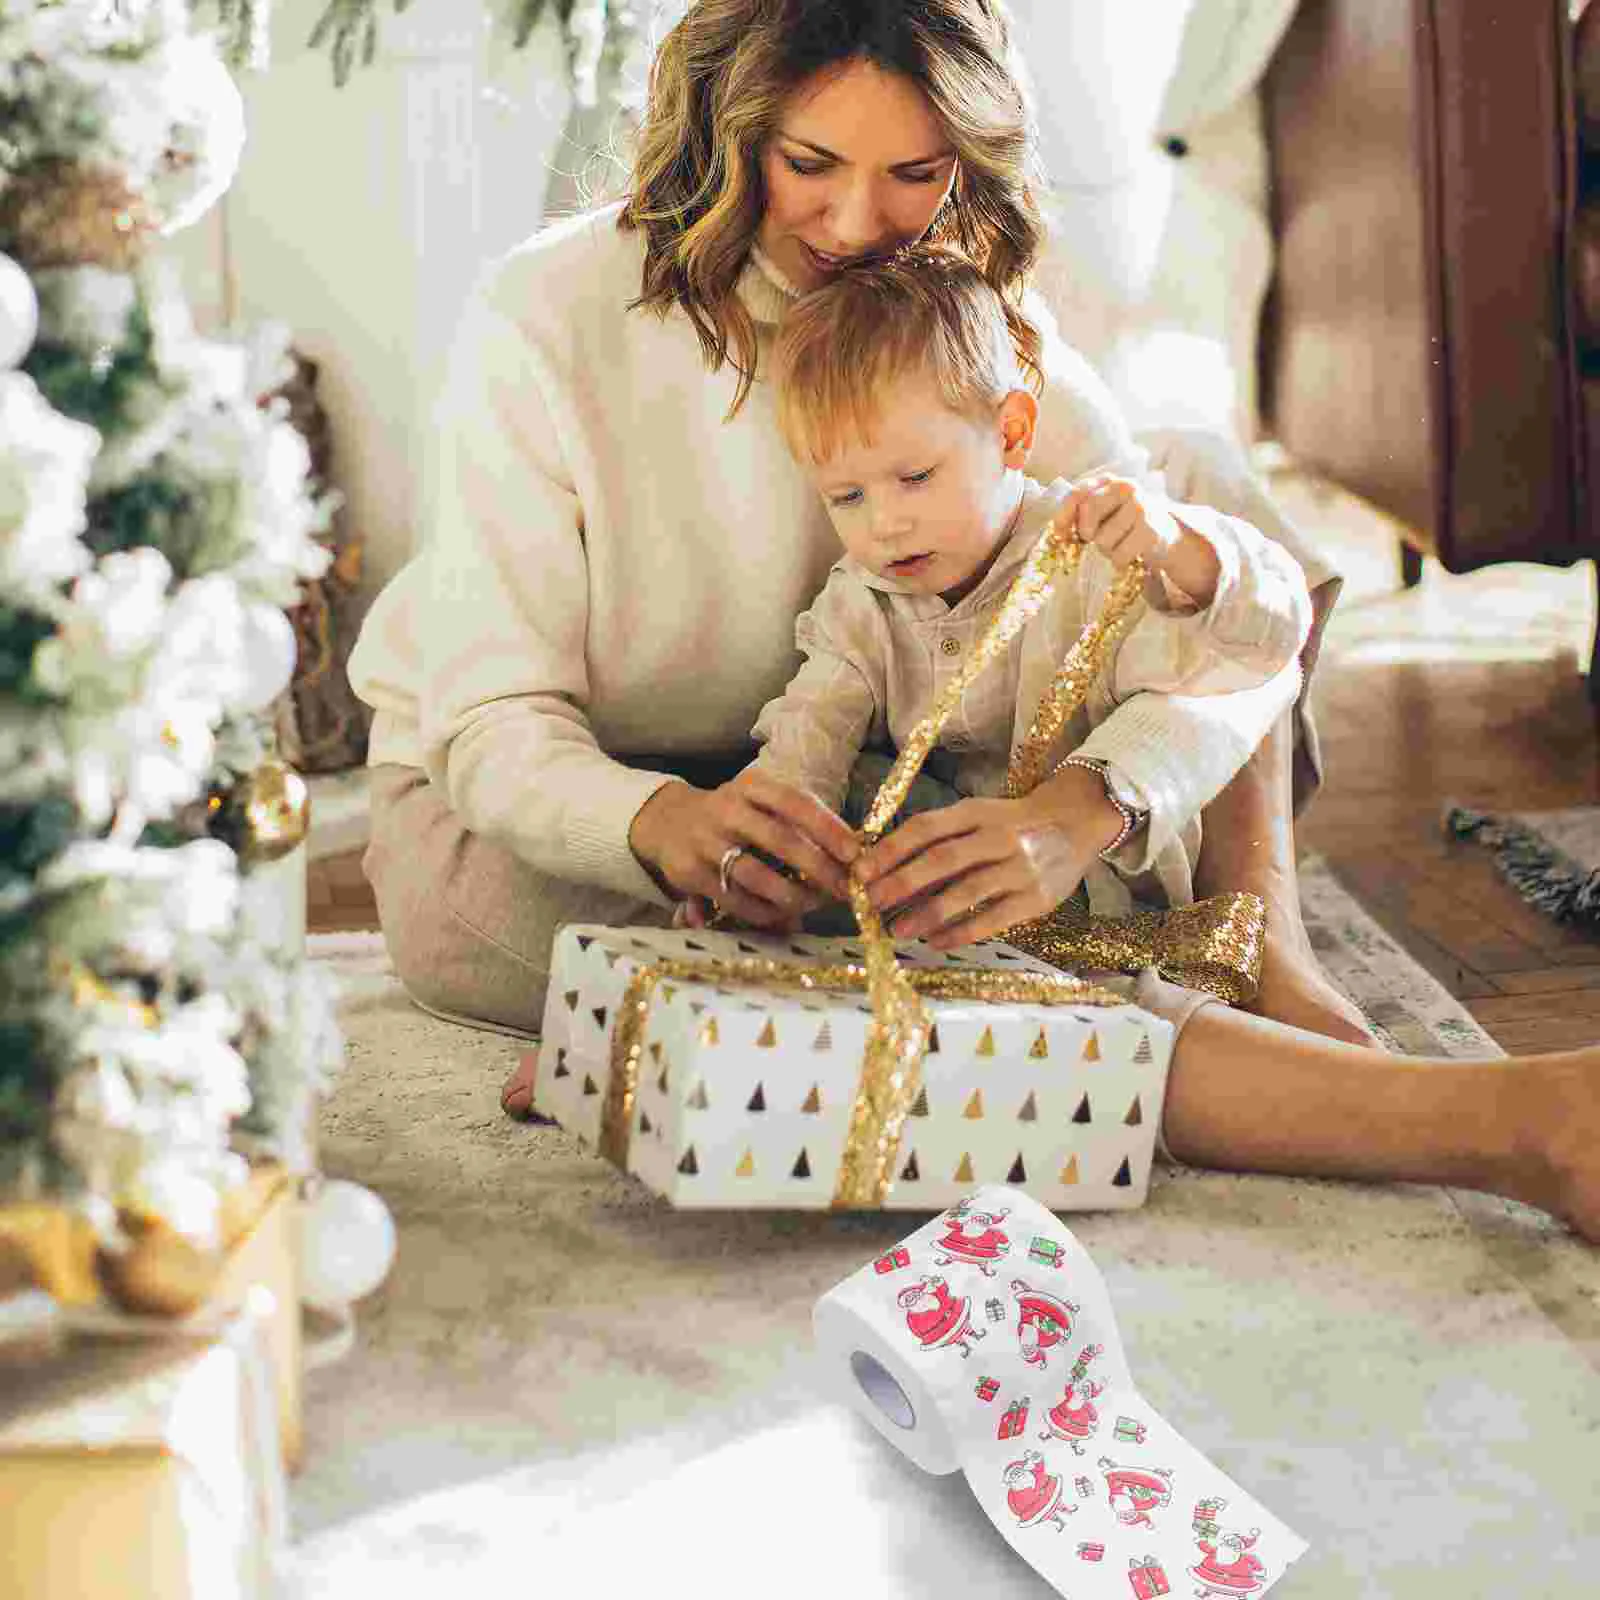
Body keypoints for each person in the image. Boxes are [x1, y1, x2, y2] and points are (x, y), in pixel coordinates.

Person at [344, 0, 1598, 1243]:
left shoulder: (948, 292)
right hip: (545, 809)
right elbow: (489, 722)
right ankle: (1503, 1118)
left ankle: (1253, 942)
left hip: (861, 776)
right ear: (732, 135)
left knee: (1198, 504)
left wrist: (1074, 816)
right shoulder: (546, 314)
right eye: (809, 164)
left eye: (914, 174)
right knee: (955, 985)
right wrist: (661, 822)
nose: (854, 224)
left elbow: (1203, 616)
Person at [701, 245, 1311, 946]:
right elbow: (808, 741)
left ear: (1012, 432)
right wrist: (759, 860)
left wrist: (1180, 548)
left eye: (916, 477)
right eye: (847, 496)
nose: (885, 523)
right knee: (840, 801)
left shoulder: (1091, 555)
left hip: (1100, 889)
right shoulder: (860, 604)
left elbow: (1263, 647)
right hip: (945, 896)